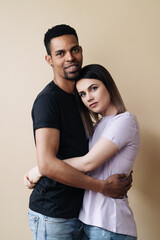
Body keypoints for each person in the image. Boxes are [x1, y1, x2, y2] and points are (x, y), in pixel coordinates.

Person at [24, 24, 133, 240]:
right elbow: (48, 162)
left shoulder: (82, 97)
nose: (70, 57)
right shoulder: (48, 102)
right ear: (49, 60)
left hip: (81, 213)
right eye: (60, 53)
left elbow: (92, 149)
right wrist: (103, 187)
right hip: (53, 214)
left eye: (74, 50)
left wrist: (121, 170)